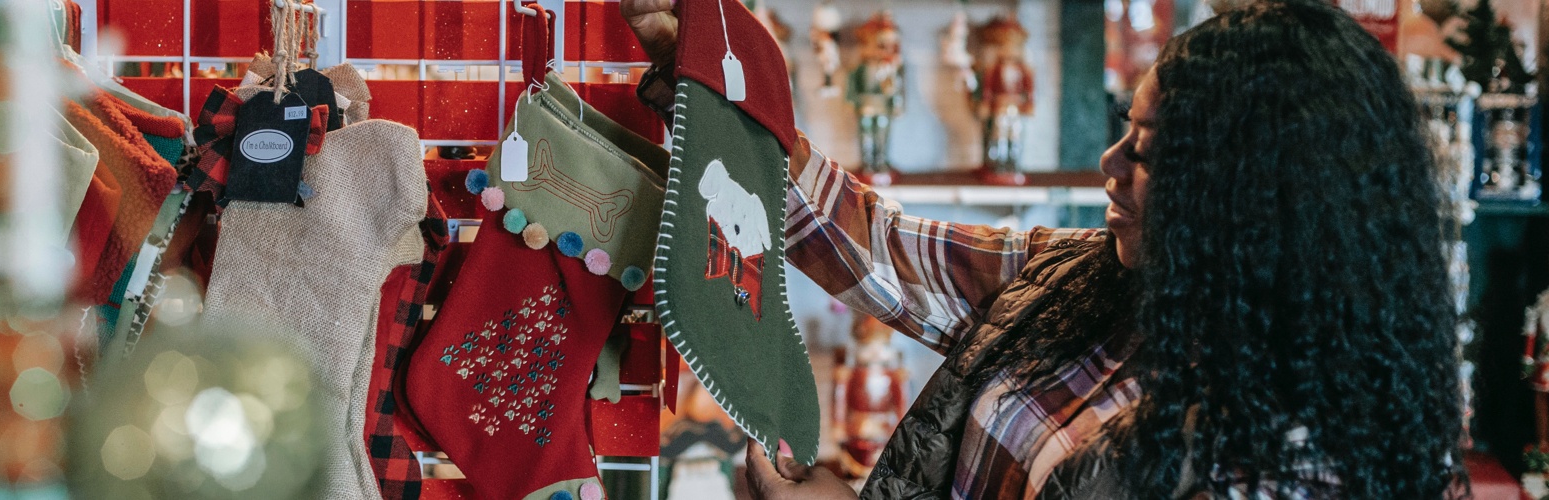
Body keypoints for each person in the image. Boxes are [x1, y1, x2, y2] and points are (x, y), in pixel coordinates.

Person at [623, 0, 1467, 497]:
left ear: (1262, 196)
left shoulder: (1290, 459)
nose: (1110, 166)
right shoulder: (1091, 280)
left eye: (1149, 151)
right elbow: (885, 251)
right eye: (1122, 133)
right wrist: (720, 86)